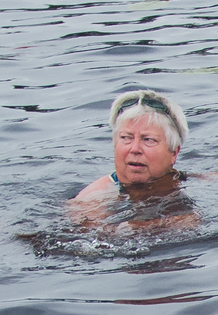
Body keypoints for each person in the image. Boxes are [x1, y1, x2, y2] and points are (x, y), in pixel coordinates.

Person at [67, 89, 202, 233]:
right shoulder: (91, 202)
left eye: (148, 140)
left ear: (174, 152)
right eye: (126, 138)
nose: (135, 149)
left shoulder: (200, 183)